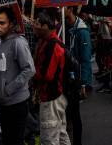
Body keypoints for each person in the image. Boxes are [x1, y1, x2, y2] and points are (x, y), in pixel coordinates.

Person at [0, 6, 35, 145]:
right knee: (6, 139)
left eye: (2, 23)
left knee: (15, 141)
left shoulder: (18, 42)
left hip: (16, 103)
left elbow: (29, 69)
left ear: (11, 24)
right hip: (3, 104)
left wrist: (8, 89)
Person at [34, 12, 71, 145]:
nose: (34, 26)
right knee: (61, 134)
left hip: (51, 97)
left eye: (37, 23)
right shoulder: (46, 42)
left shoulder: (53, 46)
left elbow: (47, 75)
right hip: (56, 96)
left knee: (49, 138)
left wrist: (32, 72)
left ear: (45, 26)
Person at [64, 6, 92, 145]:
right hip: (64, 77)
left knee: (75, 114)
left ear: (69, 9)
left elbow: (85, 59)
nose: (59, 9)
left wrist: (83, 83)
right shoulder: (62, 27)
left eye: (61, 7)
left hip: (75, 79)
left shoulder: (82, 31)